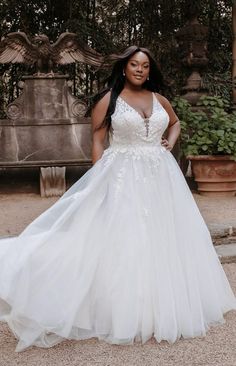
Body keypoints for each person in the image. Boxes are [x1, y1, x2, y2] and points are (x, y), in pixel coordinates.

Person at [0, 46, 236, 353]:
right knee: (125, 238)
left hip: (161, 176)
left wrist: (169, 143)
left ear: (150, 71)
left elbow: (175, 123)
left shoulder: (159, 99)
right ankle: (122, 308)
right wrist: (100, 182)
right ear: (124, 68)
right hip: (123, 175)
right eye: (135, 64)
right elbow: (97, 141)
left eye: (145, 66)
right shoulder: (107, 101)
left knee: (163, 238)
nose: (140, 69)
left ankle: (160, 306)